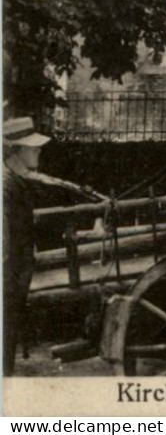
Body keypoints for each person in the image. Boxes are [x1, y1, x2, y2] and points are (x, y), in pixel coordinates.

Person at [3, 115, 50, 374]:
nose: (39, 150)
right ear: (16, 150)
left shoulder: (18, 179)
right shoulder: (5, 185)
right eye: (33, 146)